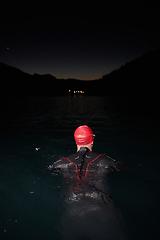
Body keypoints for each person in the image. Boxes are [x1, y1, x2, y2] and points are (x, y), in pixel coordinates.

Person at [48, 125, 128, 240]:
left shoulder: (62, 162)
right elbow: (123, 169)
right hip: (102, 211)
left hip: (73, 212)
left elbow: (46, 170)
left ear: (76, 140)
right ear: (92, 140)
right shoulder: (104, 160)